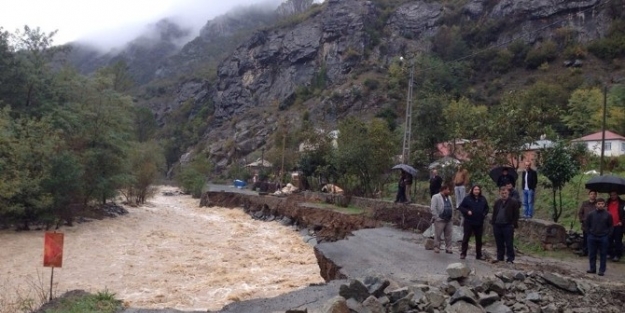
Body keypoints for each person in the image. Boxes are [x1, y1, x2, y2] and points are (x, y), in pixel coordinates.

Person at [457, 185, 489, 260]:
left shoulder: (483, 199)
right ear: (472, 190)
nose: (477, 191)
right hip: (469, 221)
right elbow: (461, 207)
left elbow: (487, 208)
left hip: (479, 222)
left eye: (478, 189)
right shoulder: (467, 198)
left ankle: (479, 255)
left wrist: (483, 214)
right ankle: (463, 254)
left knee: (479, 239)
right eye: (475, 189)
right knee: (466, 238)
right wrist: (467, 211)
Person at [491, 187, 520, 263]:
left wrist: (513, 224)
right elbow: (494, 213)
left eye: (505, 193)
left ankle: (510, 258)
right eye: (502, 193)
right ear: (500, 193)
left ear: (508, 193)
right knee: (499, 242)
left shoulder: (513, 202)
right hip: (497, 225)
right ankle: (500, 257)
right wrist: (493, 222)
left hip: (507, 225)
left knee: (509, 242)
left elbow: (516, 214)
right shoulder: (497, 202)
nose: (504, 195)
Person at [585, 198, 613, 276]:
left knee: (603, 254)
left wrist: (608, 235)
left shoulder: (608, 214)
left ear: (604, 205)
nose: (600, 205)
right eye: (599, 204)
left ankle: (601, 270)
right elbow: (586, 225)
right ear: (596, 204)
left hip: (603, 237)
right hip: (592, 236)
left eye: (602, 204)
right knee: (592, 253)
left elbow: (611, 226)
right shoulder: (591, 214)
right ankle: (592, 268)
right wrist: (589, 233)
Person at [430, 185, 454, 254]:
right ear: (444, 190)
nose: (449, 191)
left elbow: (451, 207)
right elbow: (433, 208)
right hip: (440, 219)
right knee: (438, 234)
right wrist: (436, 217)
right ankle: (436, 247)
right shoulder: (436, 197)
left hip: (448, 219)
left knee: (449, 235)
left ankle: (448, 248)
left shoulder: (449, 197)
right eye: (448, 190)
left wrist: (452, 216)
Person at [606, 191, 625, 262]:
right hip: (609, 225)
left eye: (614, 195)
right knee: (608, 240)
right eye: (611, 195)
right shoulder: (607, 202)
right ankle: (609, 253)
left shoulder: (623, 203)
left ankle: (618, 255)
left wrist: (622, 222)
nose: (613, 196)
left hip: (618, 225)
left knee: (618, 241)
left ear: (617, 195)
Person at [578, 190, 598, 256]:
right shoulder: (585, 203)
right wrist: (582, 220)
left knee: (594, 239)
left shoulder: (597, 204)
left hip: (595, 225)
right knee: (586, 238)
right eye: (591, 194)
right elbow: (580, 213)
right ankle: (585, 251)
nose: (592, 195)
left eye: (594, 194)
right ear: (589, 195)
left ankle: (593, 252)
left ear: (596, 195)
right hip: (586, 224)